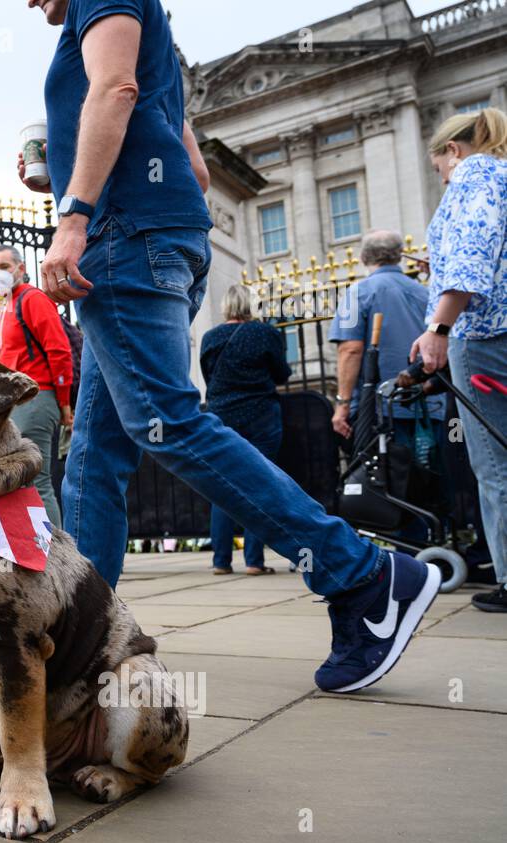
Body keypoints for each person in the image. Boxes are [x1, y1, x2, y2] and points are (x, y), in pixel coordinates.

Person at [25, 0, 439, 694]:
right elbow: (196, 170)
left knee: (170, 423)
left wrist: (74, 214)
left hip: (125, 244)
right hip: (140, 241)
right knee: (94, 460)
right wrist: (74, 174)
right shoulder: (141, 46)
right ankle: (81, 646)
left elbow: (114, 89)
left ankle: (364, 576)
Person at [410, 108, 507, 614]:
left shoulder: (475, 173)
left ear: (453, 150)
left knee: (494, 464)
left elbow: (472, 257)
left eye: (438, 169)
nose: (444, 178)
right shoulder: (504, 176)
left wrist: (438, 327)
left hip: (485, 335)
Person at [200, 285, 291, 575]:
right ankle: (254, 560)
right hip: (260, 414)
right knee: (259, 483)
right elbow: (281, 374)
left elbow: (208, 375)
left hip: (221, 416)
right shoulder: (265, 333)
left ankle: (221, 561)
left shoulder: (210, 337)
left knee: (223, 485)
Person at [0, 243, 74, 526]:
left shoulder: (32, 298)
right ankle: (35, 553)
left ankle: (55, 558)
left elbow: (59, 351)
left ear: (21, 269)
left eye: (3, 267)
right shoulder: (7, 305)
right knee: (23, 481)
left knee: (36, 480)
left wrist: (63, 402)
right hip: (17, 402)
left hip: (36, 398)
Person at [330, 230, 445, 443]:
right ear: (400, 255)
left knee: (390, 474)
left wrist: (342, 404)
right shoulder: (426, 292)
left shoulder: (357, 292)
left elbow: (350, 350)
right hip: (432, 403)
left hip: (382, 408)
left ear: (363, 257)